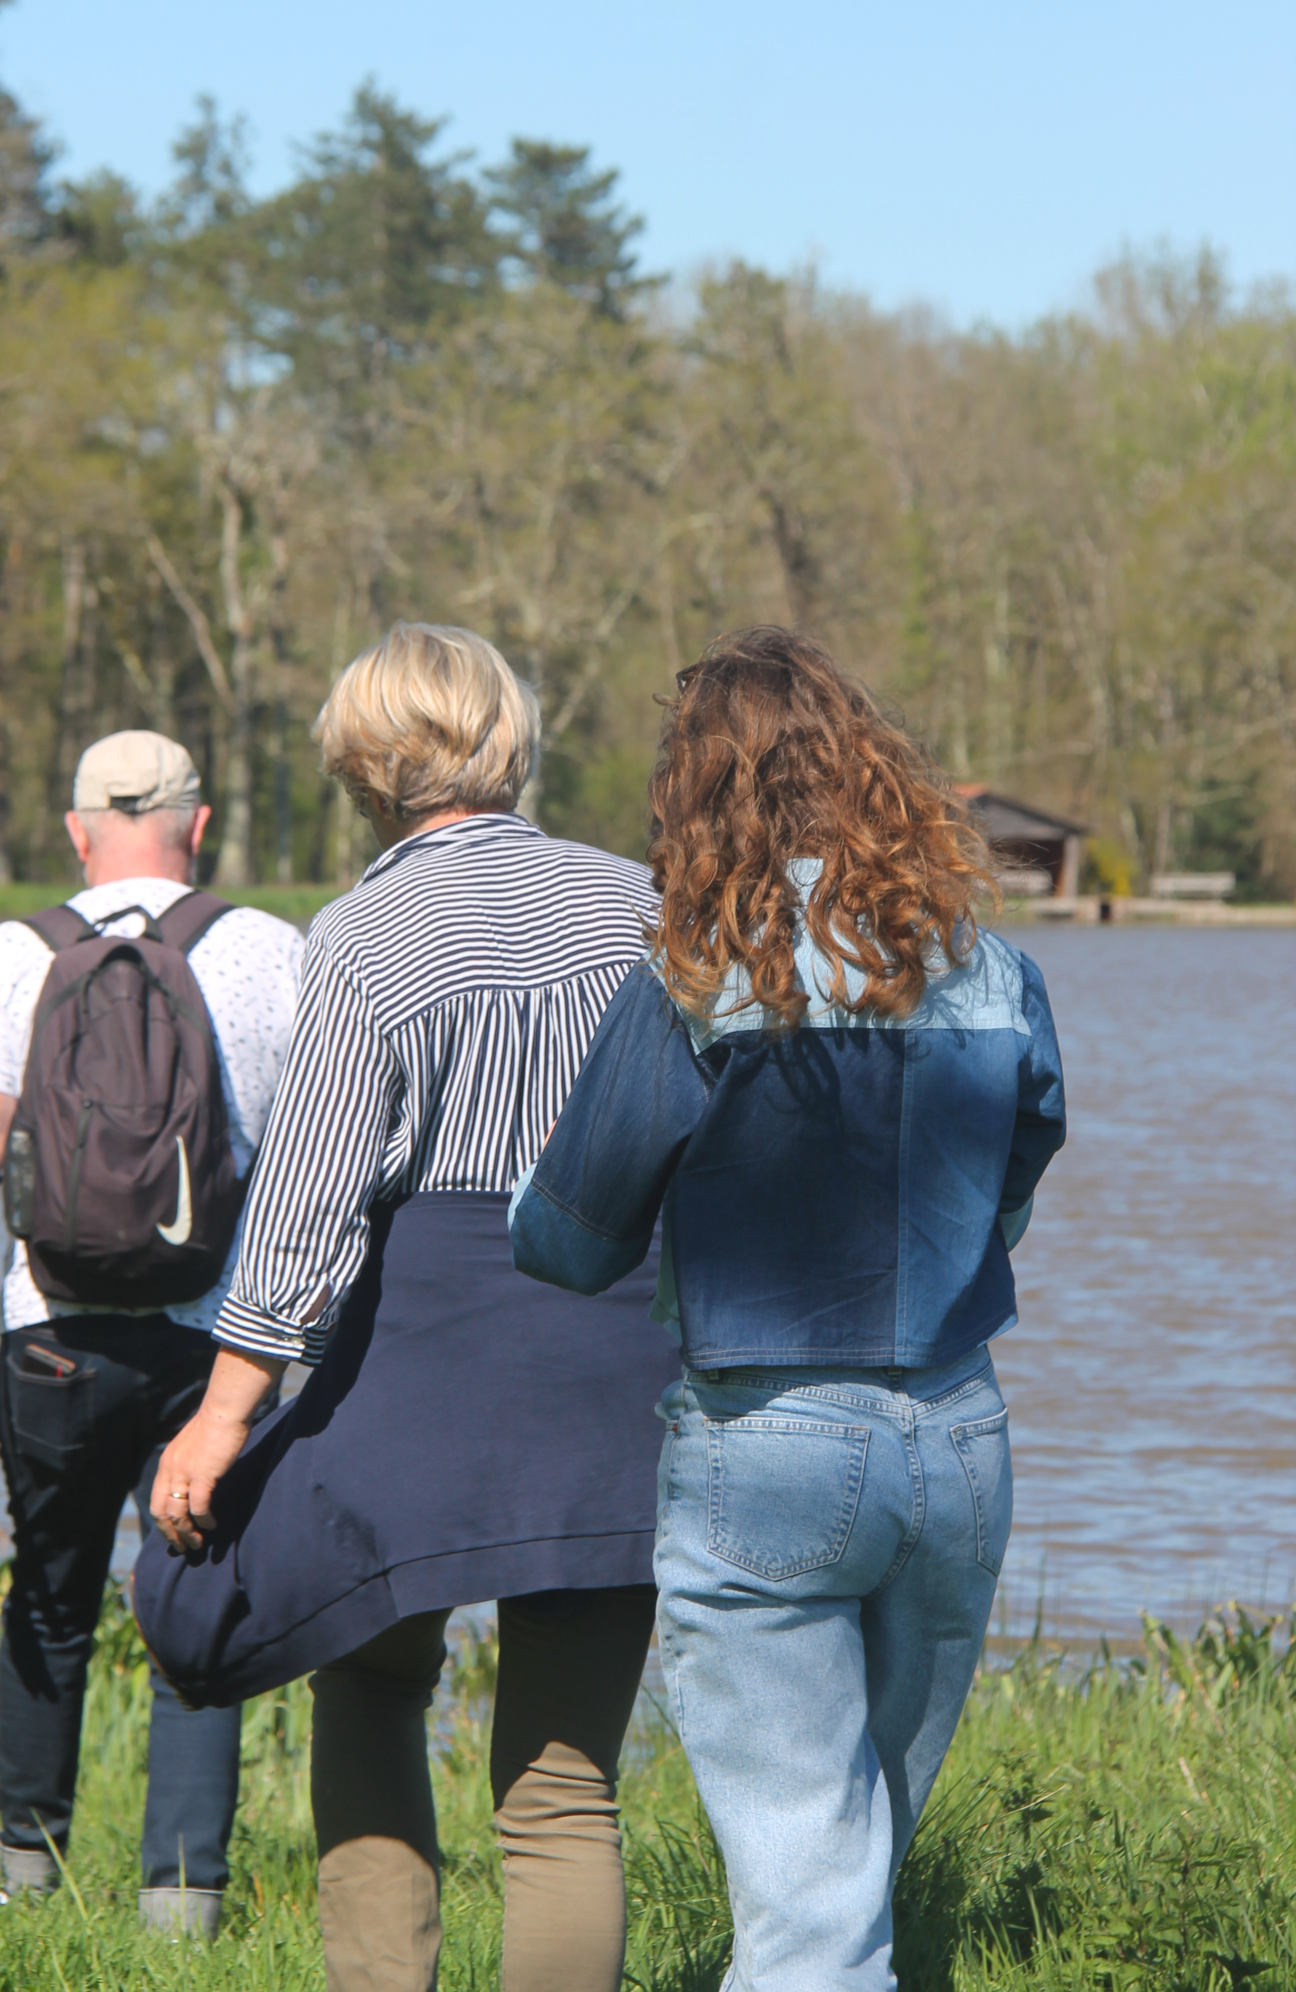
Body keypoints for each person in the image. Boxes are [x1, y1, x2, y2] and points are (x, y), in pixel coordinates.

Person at [509, 628, 1067, 1992]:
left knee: (814, 1907)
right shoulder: (992, 968)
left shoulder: (696, 973)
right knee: (854, 1864)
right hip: (959, 1438)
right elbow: (1019, 1174)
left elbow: (570, 1242)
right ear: (870, 766)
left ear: (697, 790)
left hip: (766, 1446)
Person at [140, 622, 679, 1992]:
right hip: (618, 1363)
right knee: (564, 1787)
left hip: (417, 1364)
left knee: (373, 1690)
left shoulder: (363, 934)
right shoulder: (642, 904)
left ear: (363, 767)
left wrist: (220, 1416)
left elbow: (308, 1205)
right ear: (510, 741)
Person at [0, 730, 303, 1936]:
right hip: (216, 1346)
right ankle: (181, 1906)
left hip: (54, 1336)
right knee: (199, 1596)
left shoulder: (19, 952)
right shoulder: (269, 949)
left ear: (77, 830)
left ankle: (25, 1885)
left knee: (48, 1598)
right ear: (201, 826)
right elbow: (315, 1164)